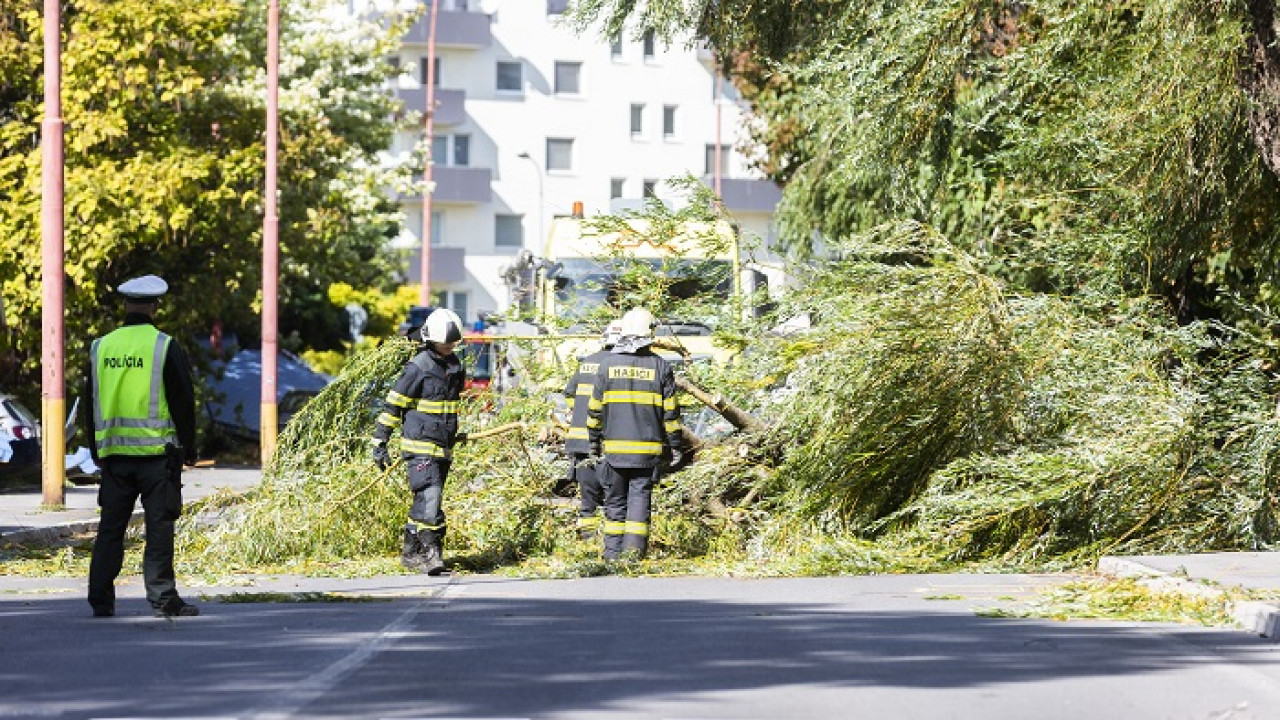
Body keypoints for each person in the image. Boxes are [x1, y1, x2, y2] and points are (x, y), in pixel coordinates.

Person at [85, 274, 199, 618]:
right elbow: (182, 402)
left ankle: (100, 599)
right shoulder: (164, 346)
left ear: (124, 305)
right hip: (156, 459)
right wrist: (190, 447)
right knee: (159, 528)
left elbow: (90, 403)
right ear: (155, 306)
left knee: (110, 530)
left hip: (115, 458)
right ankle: (163, 597)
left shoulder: (100, 347)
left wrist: (96, 450)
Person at [372, 308, 467, 575]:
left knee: (423, 501)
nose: (450, 346)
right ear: (430, 340)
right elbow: (394, 405)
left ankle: (410, 552)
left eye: (453, 343)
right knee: (430, 496)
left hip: (443, 447)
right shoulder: (418, 367)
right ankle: (431, 554)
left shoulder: (455, 367)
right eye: (445, 343)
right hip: (419, 447)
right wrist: (380, 441)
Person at [587, 307, 687, 560]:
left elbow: (595, 411)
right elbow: (671, 415)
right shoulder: (660, 366)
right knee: (639, 501)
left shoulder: (607, 365)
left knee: (615, 502)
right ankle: (633, 555)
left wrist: (593, 443)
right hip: (647, 452)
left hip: (614, 452)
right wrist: (675, 446)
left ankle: (611, 555)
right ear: (649, 334)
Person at [562, 319, 622, 540]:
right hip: (604, 444)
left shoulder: (587, 362)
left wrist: (578, 412)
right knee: (612, 500)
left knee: (588, 501)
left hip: (579, 444)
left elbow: (569, 394)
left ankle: (587, 543)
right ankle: (611, 546)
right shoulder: (618, 366)